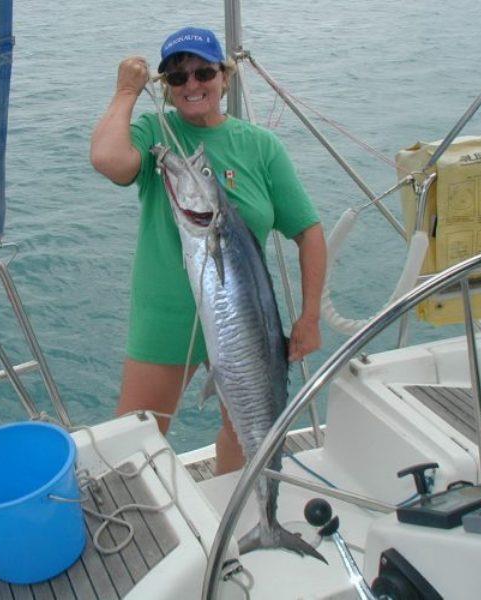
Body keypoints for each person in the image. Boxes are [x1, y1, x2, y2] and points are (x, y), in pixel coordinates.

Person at [90, 26, 326, 474]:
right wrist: (125, 92)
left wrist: (310, 316)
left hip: (248, 322)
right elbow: (108, 160)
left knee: (245, 432)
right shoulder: (153, 131)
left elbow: (308, 231)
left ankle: (245, 521)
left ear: (225, 76)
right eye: (177, 78)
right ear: (165, 87)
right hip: (167, 320)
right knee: (133, 441)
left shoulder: (261, 147)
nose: (192, 85)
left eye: (203, 72)